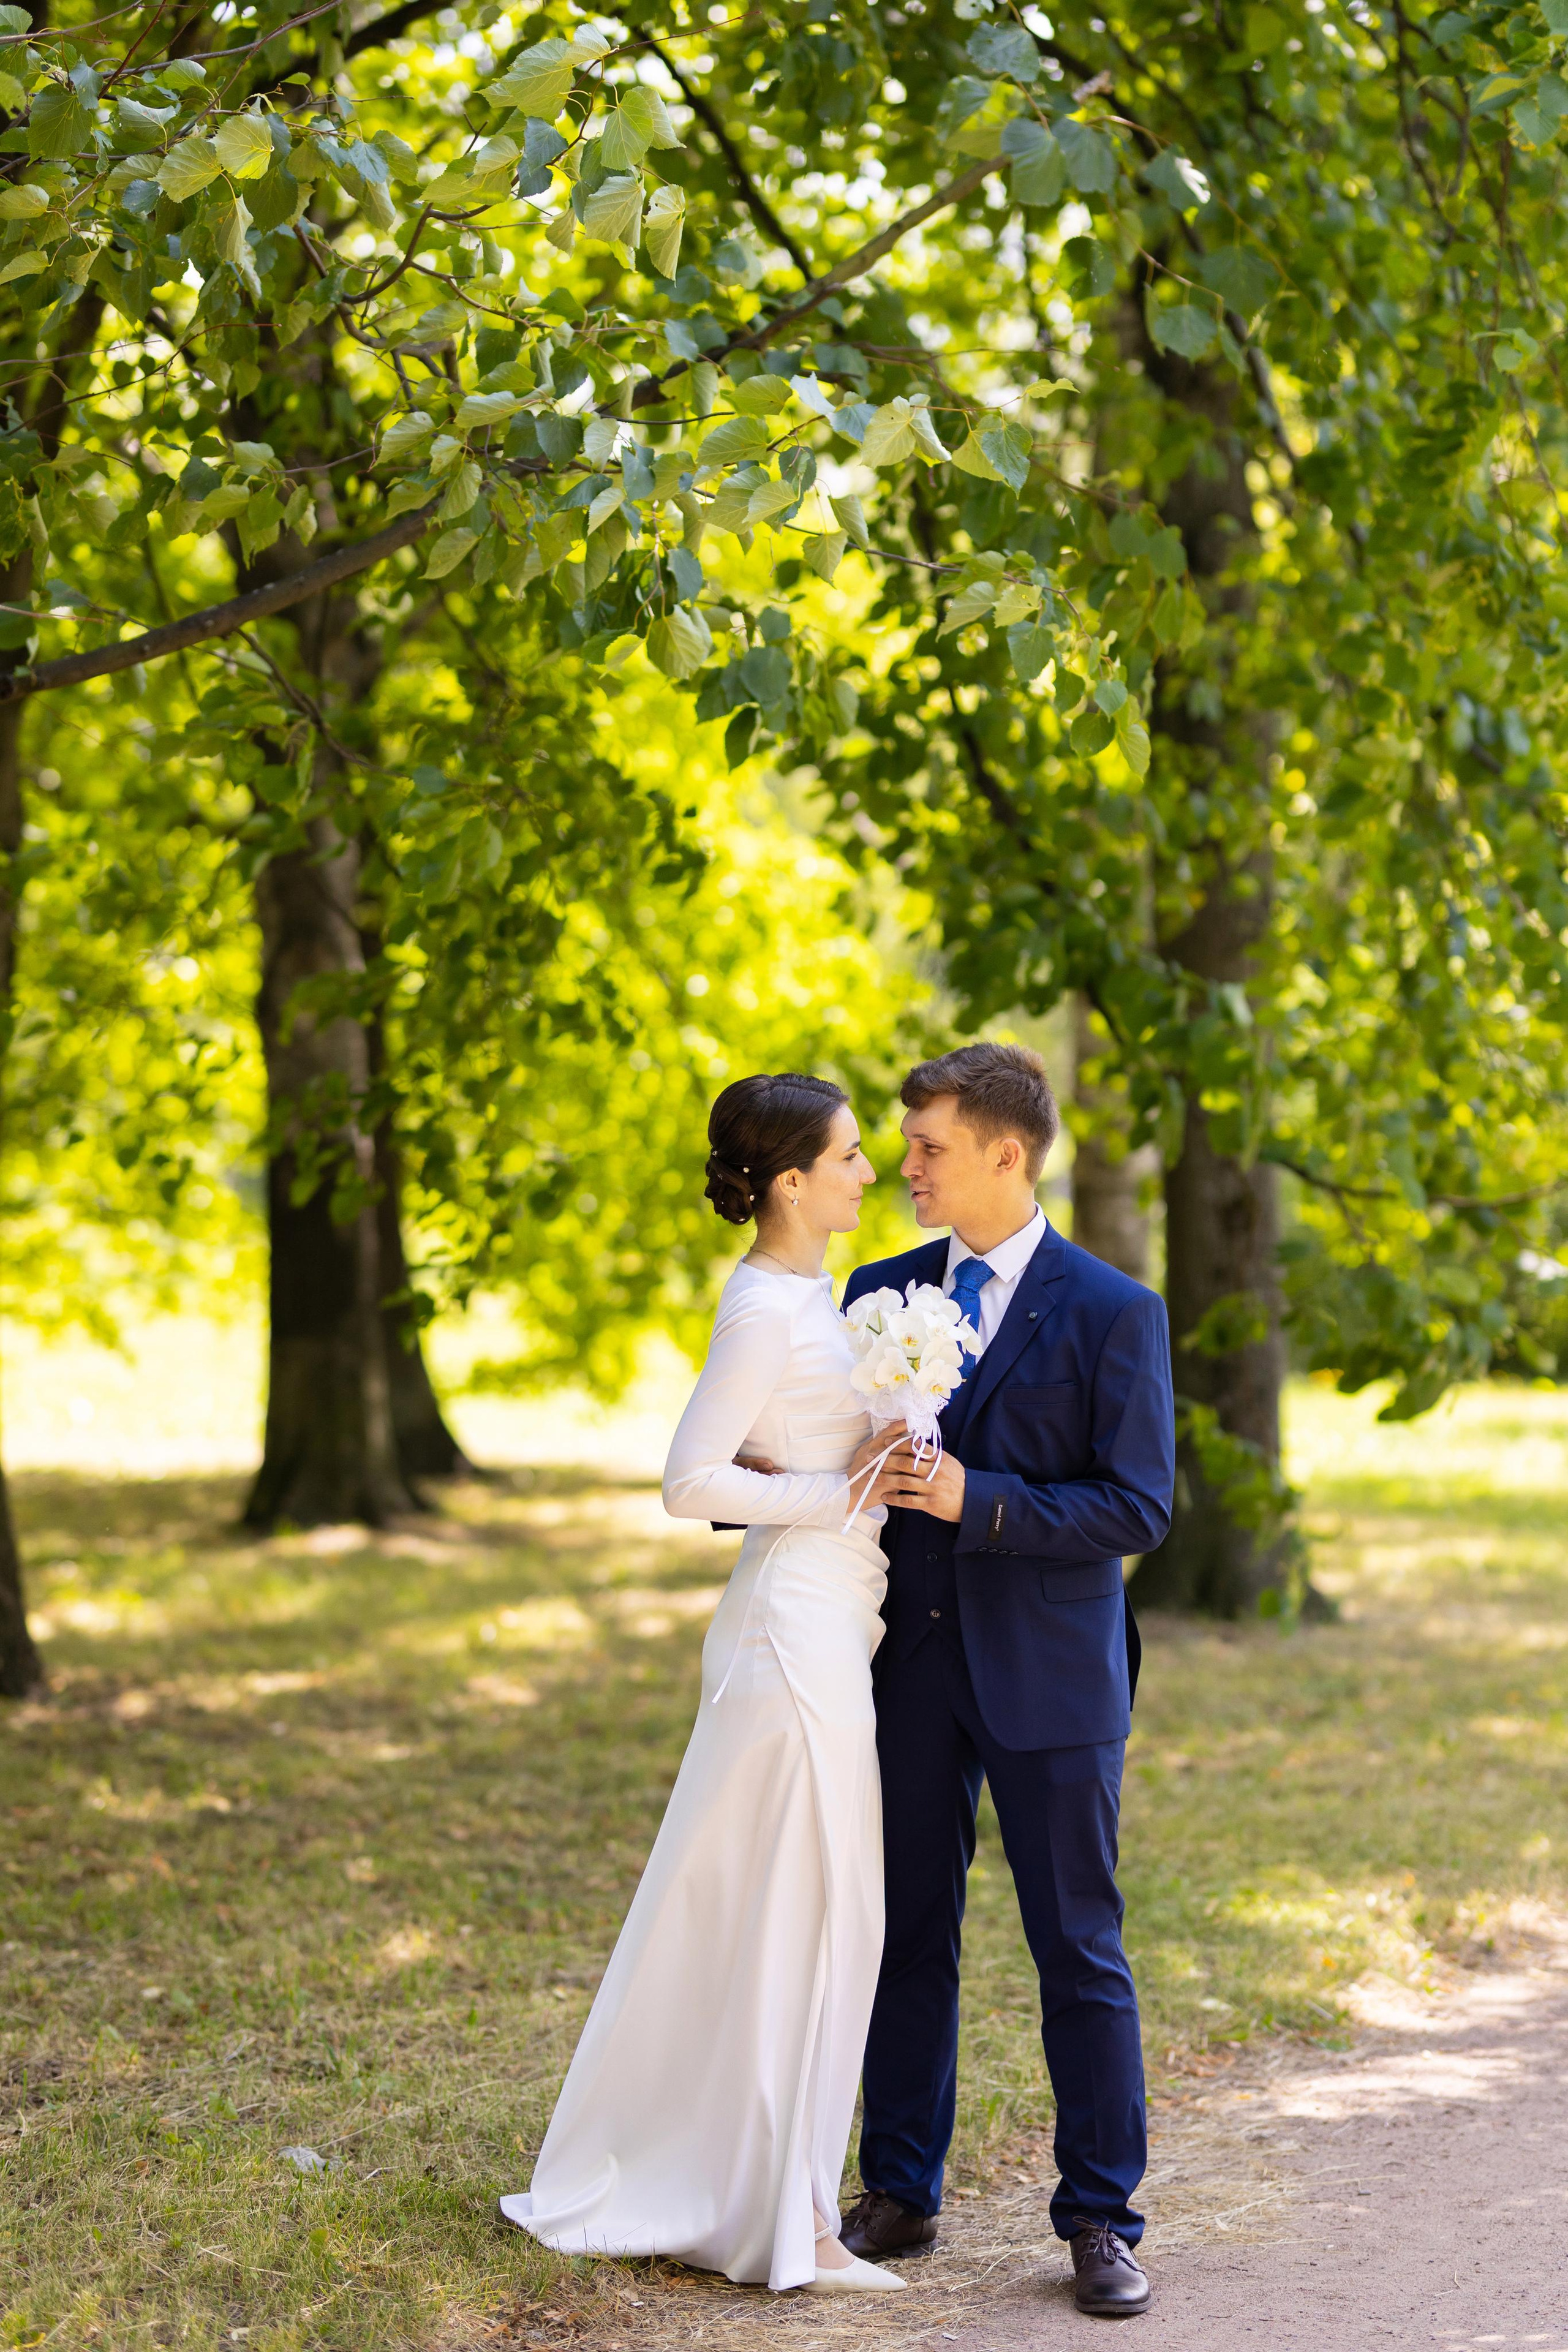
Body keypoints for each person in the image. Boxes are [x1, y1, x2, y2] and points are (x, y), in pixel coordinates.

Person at [497, 1072, 905, 2296]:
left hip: (832, 1620)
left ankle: (773, 2198)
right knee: (810, 1916)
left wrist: (878, 1456)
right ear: (789, 1183)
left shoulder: (808, 1298)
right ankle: (791, 2225)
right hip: (789, 1638)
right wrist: (832, 1493)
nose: (866, 1174)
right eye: (846, 1158)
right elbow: (688, 1481)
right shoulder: (764, 1313)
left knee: (822, 1920)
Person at [838, 1042, 1175, 2319]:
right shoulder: (872, 1292)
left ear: (1004, 1153)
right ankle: (900, 2191)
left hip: (1051, 1675)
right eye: (903, 1146)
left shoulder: (1110, 1310)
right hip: (908, 1669)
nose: (904, 1167)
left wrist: (983, 1501)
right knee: (905, 1935)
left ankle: (1099, 2215)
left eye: (924, 1146)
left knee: (1076, 1946)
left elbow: (1137, 1504)